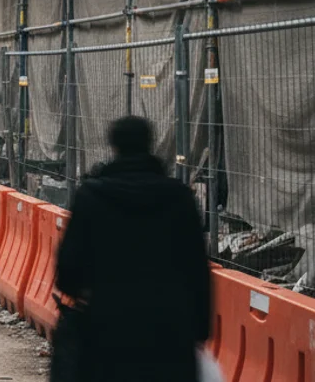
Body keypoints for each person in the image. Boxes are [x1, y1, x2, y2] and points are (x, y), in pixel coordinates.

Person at [53, 116, 211, 382]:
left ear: (113, 146)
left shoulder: (91, 197)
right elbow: (197, 271)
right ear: (151, 145)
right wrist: (199, 331)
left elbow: (68, 273)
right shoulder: (180, 198)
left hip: (105, 333)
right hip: (168, 335)